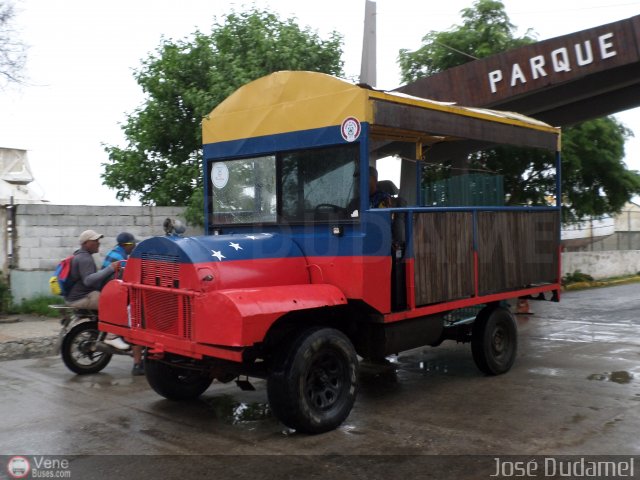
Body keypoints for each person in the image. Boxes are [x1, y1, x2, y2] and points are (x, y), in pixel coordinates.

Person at [65, 229, 130, 351]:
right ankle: (112, 336)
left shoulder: (79, 255)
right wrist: (110, 268)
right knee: (114, 304)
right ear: (86, 243)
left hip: (78, 295)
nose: (98, 243)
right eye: (95, 241)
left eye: (98, 240)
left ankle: (105, 333)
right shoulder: (85, 258)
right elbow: (88, 280)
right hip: (82, 297)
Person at [101, 232, 145, 376]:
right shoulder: (121, 259)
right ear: (126, 245)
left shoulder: (115, 253)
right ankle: (137, 363)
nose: (133, 246)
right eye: (132, 244)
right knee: (138, 321)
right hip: (113, 293)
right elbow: (126, 281)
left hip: (109, 290)